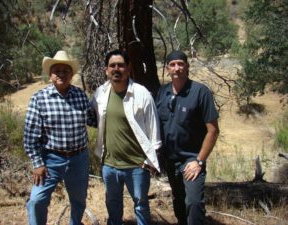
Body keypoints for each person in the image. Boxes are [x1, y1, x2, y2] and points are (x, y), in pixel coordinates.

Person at [24, 50, 97, 225]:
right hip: (50, 160)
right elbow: (30, 136)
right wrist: (38, 163)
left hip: (79, 158)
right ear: (50, 75)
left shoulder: (80, 95)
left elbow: (93, 120)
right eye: (57, 71)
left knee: (78, 200)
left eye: (66, 71)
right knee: (36, 201)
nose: (62, 74)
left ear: (71, 74)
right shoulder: (39, 99)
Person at [92, 49, 161, 225]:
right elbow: (93, 119)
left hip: (137, 164)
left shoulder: (142, 93)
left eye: (121, 65)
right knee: (113, 205)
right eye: (112, 65)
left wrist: (150, 160)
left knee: (140, 205)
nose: (116, 69)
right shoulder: (100, 93)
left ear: (128, 68)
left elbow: (154, 130)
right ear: (106, 70)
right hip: (109, 164)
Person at [156, 50, 220, 225]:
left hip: (191, 160)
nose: (177, 68)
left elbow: (213, 130)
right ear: (167, 68)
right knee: (178, 200)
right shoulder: (163, 92)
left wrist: (199, 161)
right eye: (173, 64)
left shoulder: (200, 92)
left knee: (193, 202)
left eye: (180, 64)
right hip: (170, 160)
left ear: (187, 66)